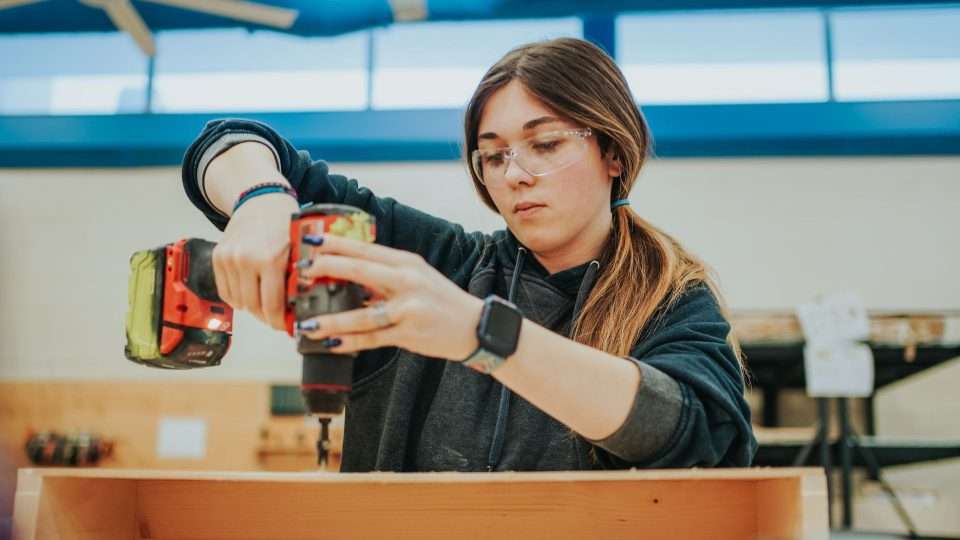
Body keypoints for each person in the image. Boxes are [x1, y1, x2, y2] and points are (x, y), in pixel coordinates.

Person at [181, 37, 757, 472]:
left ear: (612, 150)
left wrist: (483, 333)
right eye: (494, 155)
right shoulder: (442, 262)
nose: (517, 175)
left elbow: (700, 434)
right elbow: (228, 143)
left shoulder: (671, 300)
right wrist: (260, 199)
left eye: (546, 144)